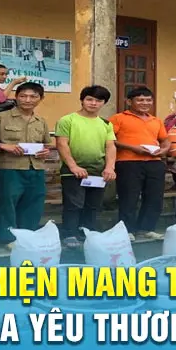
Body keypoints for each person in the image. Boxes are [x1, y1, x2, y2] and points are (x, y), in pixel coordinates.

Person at [55, 86, 117, 248]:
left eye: (98, 100)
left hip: (97, 171)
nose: (93, 103)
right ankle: (69, 233)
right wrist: (73, 166)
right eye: (89, 99)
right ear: (82, 100)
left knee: (93, 205)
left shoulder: (106, 124)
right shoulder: (67, 120)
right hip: (73, 171)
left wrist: (110, 167)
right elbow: (62, 144)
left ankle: (87, 232)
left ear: (104, 103)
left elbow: (110, 146)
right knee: (74, 204)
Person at [0, 82, 52, 248]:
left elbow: (46, 144)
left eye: (33, 96)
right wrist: (4, 146)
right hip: (9, 167)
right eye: (23, 96)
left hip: (36, 167)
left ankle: (27, 235)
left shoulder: (41, 121)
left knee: (33, 203)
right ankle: (7, 237)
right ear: (16, 97)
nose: (28, 100)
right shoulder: (0, 118)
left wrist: (45, 152)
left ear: (41, 99)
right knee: (7, 203)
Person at [110, 87, 169, 241]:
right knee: (128, 197)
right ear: (129, 102)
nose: (145, 103)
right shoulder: (118, 118)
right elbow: (110, 140)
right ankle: (127, 230)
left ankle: (147, 228)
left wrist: (164, 150)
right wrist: (133, 148)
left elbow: (165, 140)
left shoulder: (156, 120)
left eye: (148, 100)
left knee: (154, 197)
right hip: (128, 162)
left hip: (154, 162)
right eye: (140, 100)